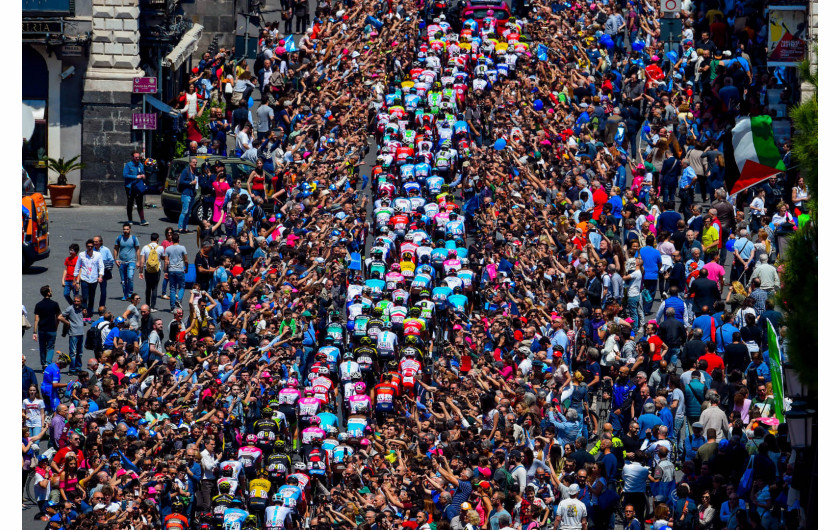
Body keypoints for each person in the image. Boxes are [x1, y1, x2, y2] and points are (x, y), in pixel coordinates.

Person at [33, 285, 61, 370]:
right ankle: (47, 363)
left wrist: (34, 332)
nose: (51, 292)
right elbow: (58, 317)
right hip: (51, 329)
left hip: (41, 329)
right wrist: (56, 327)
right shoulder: (54, 304)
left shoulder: (38, 305)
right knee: (50, 347)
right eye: (50, 291)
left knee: (42, 347)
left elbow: (36, 319)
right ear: (48, 293)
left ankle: (43, 363)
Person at [74, 240, 104, 317]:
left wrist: (100, 276)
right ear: (86, 246)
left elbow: (101, 266)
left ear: (93, 246)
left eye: (91, 246)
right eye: (88, 246)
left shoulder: (98, 255)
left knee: (91, 297)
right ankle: (84, 314)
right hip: (84, 278)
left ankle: (90, 314)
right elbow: (77, 266)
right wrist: (75, 279)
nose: (90, 248)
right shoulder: (82, 255)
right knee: (84, 297)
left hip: (94, 279)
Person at [58, 295, 86, 374]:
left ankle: (78, 367)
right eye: (75, 301)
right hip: (73, 333)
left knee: (80, 352)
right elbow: (60, 317)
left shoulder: (81, 308)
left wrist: (85, 314)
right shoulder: (70, 308)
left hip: (81, 332)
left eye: (78, 301)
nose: (76, 303)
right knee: (73, 353)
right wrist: (67, 323)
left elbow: (83, 318)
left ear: (81, 302)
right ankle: (72, 369)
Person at [114, 223, 141, 301]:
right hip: (122, 262)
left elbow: (138, 250)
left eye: (127, 229)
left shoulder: (134, 238)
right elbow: (116, 248)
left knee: (130, 277)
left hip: (131, 261)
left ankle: (130, 293)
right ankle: (125, 295)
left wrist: (138, 261)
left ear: (130, 230)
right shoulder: (119, 238)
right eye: (124, 229)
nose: (125, 231)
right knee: (123, 280)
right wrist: (115, 259)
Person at [138, 232, 164, 310]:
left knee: (148, 287)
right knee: (155, 288)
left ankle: (147, 305)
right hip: (156, 270)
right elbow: (163, 258)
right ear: (157, 239)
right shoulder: (160, 248)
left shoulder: (145, 247)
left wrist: (141, 271)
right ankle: (153, 306)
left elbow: (142, 262)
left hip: (148, 270)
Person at [163, 231, 189, 310]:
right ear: (179, 240)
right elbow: (186, 260)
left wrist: (165, 271)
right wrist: (186, 268)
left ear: (172, 240)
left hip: (171, 270)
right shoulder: (182, 248)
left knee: (172, 288)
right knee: (181, 286)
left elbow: (166, 261)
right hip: (180, 269)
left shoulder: (168, 249)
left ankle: (172, 307)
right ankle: (179, 299)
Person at [122, 150, 149, 225]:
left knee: (140, 202)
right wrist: (135, 177)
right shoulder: (128, 165)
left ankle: (142, 220)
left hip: (138, 186)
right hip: (130, 186)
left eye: (138, 157)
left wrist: (143, 176)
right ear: (132, 157)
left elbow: (143, 173)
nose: (137, 158)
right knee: (130, 203)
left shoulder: (140, 165)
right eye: (136, 157)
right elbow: (125, 175)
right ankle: (130, 220)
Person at [177, 157, 199, 233]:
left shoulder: (195, 171)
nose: (195, 164)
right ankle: (180, 227)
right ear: (190, 163)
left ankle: (185, 227)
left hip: (192, 193)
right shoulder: (185, 171)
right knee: (184, 211)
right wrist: (190, 183)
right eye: (193, 162)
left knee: (189, 212)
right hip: (186, 193)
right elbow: (181, 181)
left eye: (196, 162)